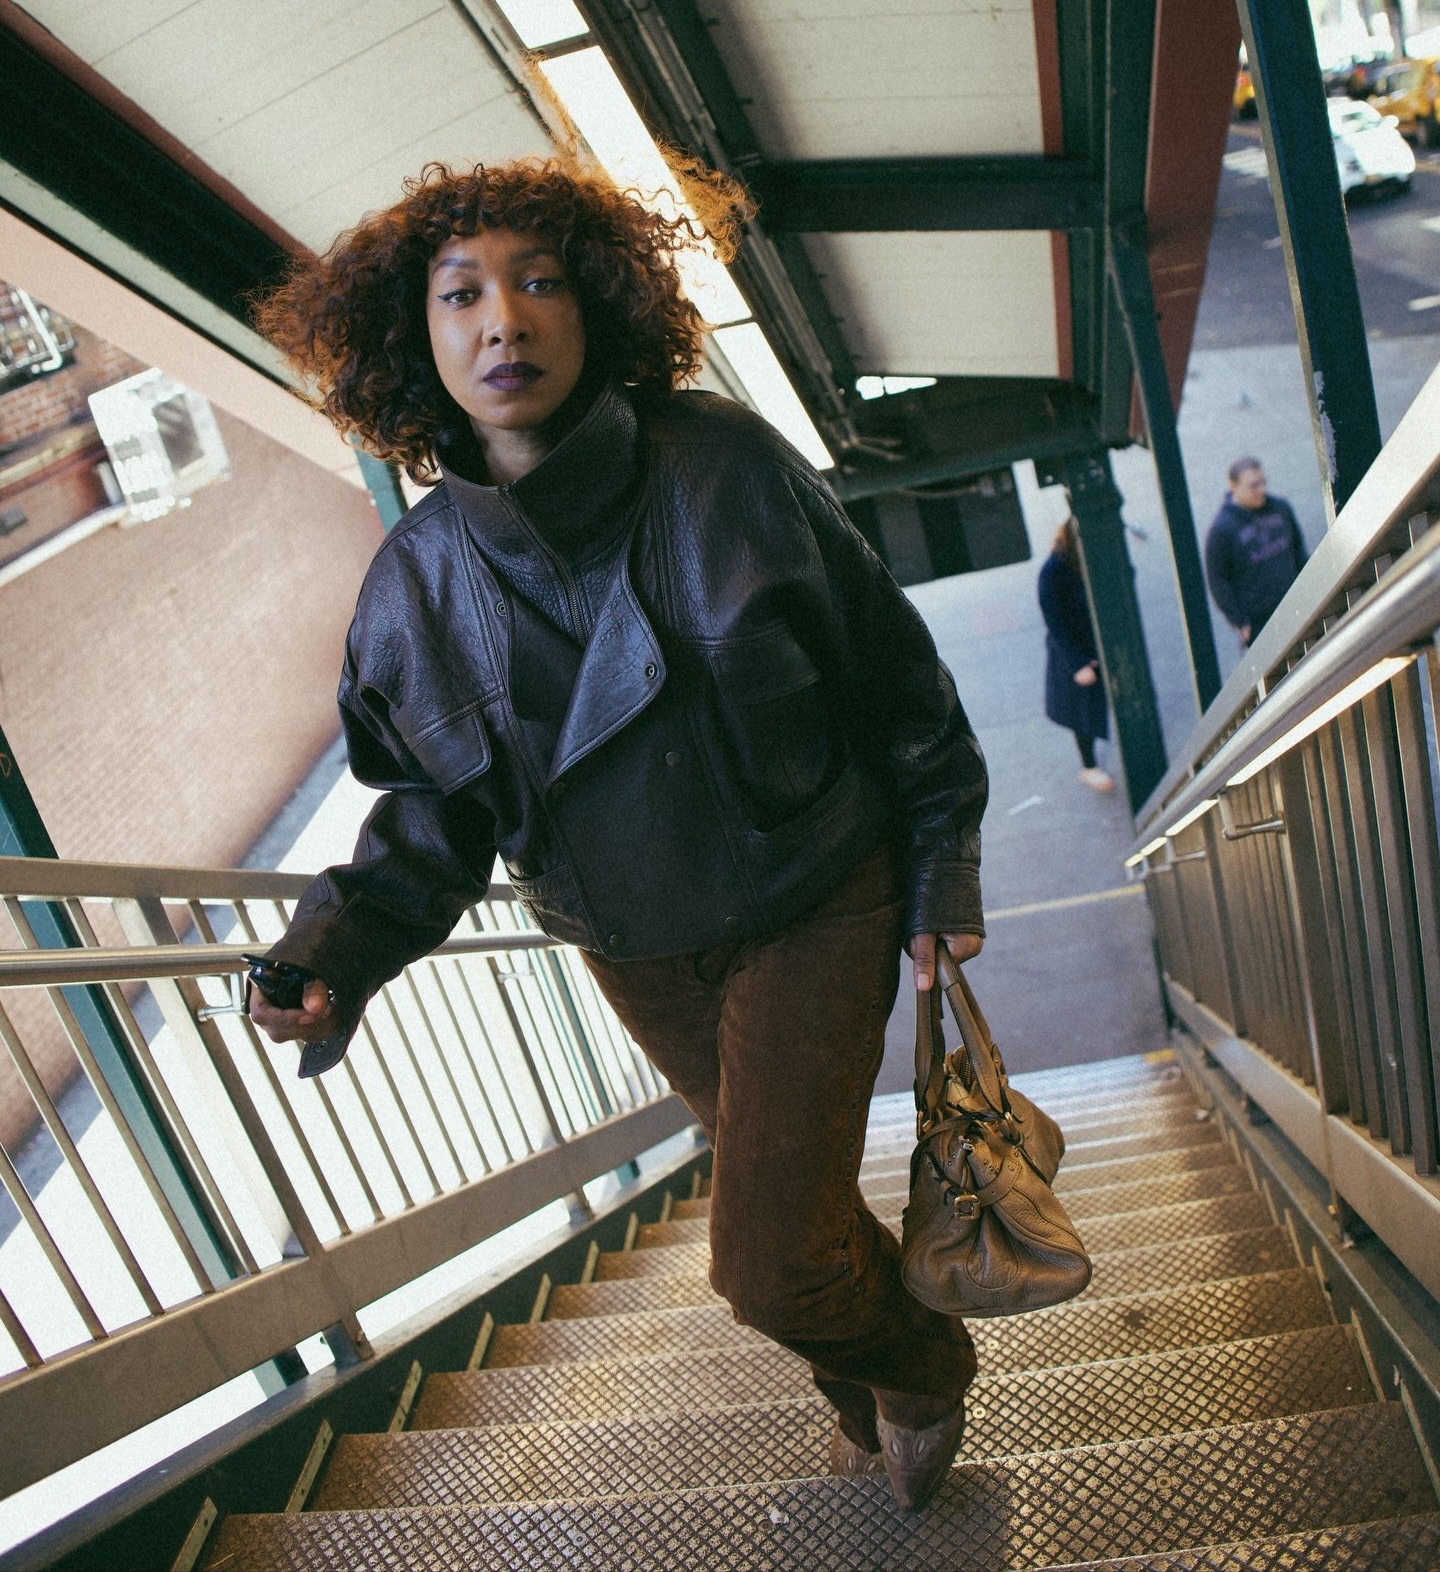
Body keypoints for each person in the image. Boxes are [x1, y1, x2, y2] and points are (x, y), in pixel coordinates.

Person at [246, 156, 989, 1513]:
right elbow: (431, 819)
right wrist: (332, 954)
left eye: (539, 283)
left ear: (594, 310)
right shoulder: (411, 587)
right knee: (797, 1213)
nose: (503, 324)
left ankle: (922, 1365)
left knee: (764, 1257)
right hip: (637, 950)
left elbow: (896, 681)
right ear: (416, 339)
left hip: (812, 896)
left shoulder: (726, 468)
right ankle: (863, 1383)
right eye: (461, 294)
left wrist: (941, 862)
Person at [1037, 518, 1114, 794]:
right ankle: (1089, 767)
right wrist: (1078, 663)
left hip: (1096, 646)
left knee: (1095, 706)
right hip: (1074, 653)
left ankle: (1092, 764)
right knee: (1083, 712)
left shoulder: (1091, 560)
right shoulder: (1054, 570)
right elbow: (1054, 621)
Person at [1204, 458, 1306, 647]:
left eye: (1263, 483)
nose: (1262, 490)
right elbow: (1217, 581)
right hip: (1260, 624)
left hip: (1297, 606)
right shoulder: (1222, 531)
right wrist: (1241, 622)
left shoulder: (1281, 508)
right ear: (1234, 487)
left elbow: (1299, 551)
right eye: (1254, 486)